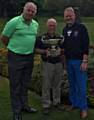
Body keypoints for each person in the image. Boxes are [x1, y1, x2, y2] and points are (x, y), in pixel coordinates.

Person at [0, 2, 38, 120]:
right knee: (15, 84)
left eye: (33, 11)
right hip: (15, 57)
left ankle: (24, 106)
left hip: (29, 57)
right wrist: (14, 49)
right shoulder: (14, 22)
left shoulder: (35, 24)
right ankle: (16, 111)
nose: (30, 13)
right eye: (29, 10)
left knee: (25, 83)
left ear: (35, 13)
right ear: (24, 10)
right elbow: (4, 38)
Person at [62, 7, 89, 118]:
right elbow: (63, 47)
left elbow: (85, 45)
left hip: (79, 62)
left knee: (81, 86)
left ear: (74, 16)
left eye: (70, 16)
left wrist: (84, 61)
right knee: (72, 85)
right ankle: (74, 103)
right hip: (69, 61)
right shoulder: (64, 30)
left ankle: (83, 108)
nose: (69, 18)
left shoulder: (81, 28)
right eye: (67, 16)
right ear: (64, 17)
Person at [35, 18, 64, 114]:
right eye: (50, 25)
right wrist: (44, 51)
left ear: (56, 26)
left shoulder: (60, 37)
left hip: (58, 64)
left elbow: (64, 50)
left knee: (57, 84)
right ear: (47, 26)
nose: (52, 27)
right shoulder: (41, 38)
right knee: (46, 85)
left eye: (54, 25)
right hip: (47, 63)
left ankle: (57, 102)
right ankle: (46, 105)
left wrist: (61, 51)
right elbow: (35, 49)